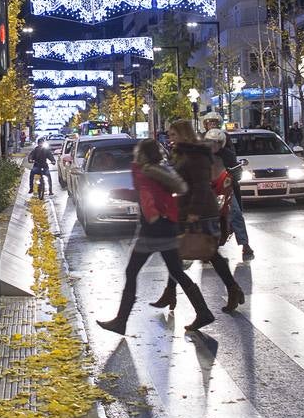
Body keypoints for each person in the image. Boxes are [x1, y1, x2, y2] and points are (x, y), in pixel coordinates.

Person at [96, 139, 212, 335]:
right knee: (177, 272)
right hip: (167, 227)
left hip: (152, 230)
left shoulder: (145, 172)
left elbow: (148, 197)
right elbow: (149, 195)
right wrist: (123, 194)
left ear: (142, 154)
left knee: (132, 271)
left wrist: (151, 215)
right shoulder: (159, 170)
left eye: (137, 152)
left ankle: (121, 321)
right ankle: (203, 312)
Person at [150, 119, 244, 324]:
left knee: (200, 252)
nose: (169, 138)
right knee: (204, 253)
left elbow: (202, 185)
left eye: (173, 134)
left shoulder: (196, 154)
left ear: (183, 134)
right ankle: (228, 290)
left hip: (201, 211)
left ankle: (198, 303)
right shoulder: (180, 152)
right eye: (169, 135)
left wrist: (193, 212)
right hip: (184, 209)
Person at [205, 128, 254, 260]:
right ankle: (205, 247)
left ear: (222, 143)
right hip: (209, 189)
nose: (213, 145)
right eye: (210, 142)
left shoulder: (228, 154)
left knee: (236, 213)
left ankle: (245, 244)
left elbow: (236, 171)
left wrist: (236, 172)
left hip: (225, 188)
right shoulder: (202, 155)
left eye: (216, 142)